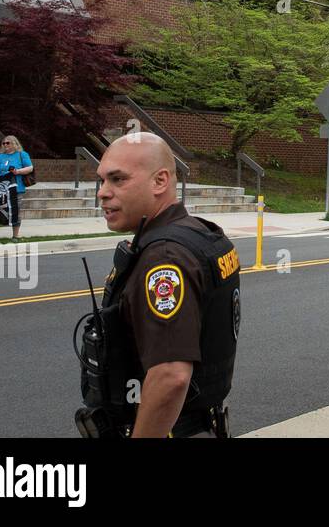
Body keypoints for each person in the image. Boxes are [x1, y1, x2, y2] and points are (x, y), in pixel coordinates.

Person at [79, 133, 239, 438]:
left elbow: (171, 376)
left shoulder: (165, 258)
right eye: (101, 181)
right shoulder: (197, 234)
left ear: (160, 181)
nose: (102, 193)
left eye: (117, 179)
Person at [0, 135, 33, 241]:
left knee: (15, 211)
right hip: (1, 189)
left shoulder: (22, 155)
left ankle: (15, 236)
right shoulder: (0, 157)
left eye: (8, 143)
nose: (5, 145)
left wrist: (18, 171)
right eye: (4, 143)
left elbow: (30, 168)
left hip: (16, 188)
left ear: (14, 144)